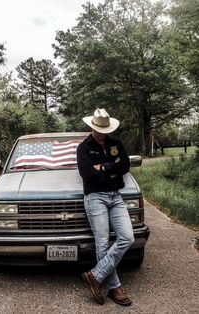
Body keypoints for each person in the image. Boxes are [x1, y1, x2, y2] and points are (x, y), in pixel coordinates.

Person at [77, 108, 134, 306]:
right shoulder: (83, 148)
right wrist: (112, 168)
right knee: (102, 244)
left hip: (116, 197)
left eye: (105, 129)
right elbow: (87, 174)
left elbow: (125, 166)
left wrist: (103, 167)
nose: (102, 133)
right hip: (95, 198)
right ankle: (115, 288)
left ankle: (95, 275)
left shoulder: (116, 143)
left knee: (128, 237)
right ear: (92, 127)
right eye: (99, 129)